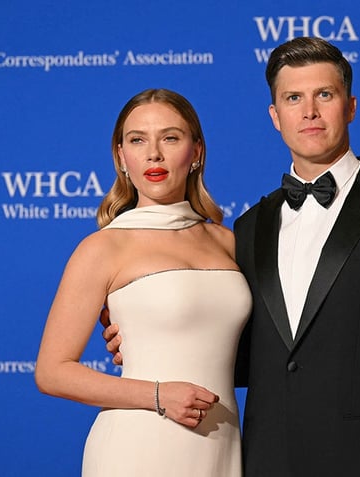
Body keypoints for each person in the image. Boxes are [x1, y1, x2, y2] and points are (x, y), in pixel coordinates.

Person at [105, 37, 360, 477]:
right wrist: (154, 335)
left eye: (323, 95)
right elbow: (247, 351)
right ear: (275, 116)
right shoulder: (252, 226)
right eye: (293, 98)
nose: (309, 111)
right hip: (264, 459)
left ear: (350, 106)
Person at [35, 88, 250, 477]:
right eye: (138, 140)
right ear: (121, 156)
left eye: (170, 137)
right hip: (139, 446)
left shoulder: (228, 241)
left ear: (197, 151)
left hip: (221, 443)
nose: (154, 153)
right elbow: (52, 371)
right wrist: (157, 395)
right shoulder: (103, 247)